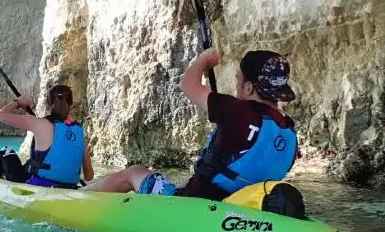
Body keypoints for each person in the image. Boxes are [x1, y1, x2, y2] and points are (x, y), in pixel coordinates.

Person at [85, 48, 298, 201]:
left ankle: (76, 197)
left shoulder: (236, 110)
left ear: (249, 88)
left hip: (194, 202)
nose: (237, 86)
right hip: (244, 208)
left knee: (134, 172)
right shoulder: (289, 134)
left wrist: (203, 61)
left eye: (238, 80)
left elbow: (189, 84)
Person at [0, 84, 95, 188]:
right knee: (30, 163)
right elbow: (89, 176)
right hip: (69, 188)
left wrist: (18, 102)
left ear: (48, 104)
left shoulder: (38, 123)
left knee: (5, 152)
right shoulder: (79, 131)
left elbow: (1, 115)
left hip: (39, 188)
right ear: (71, 105)